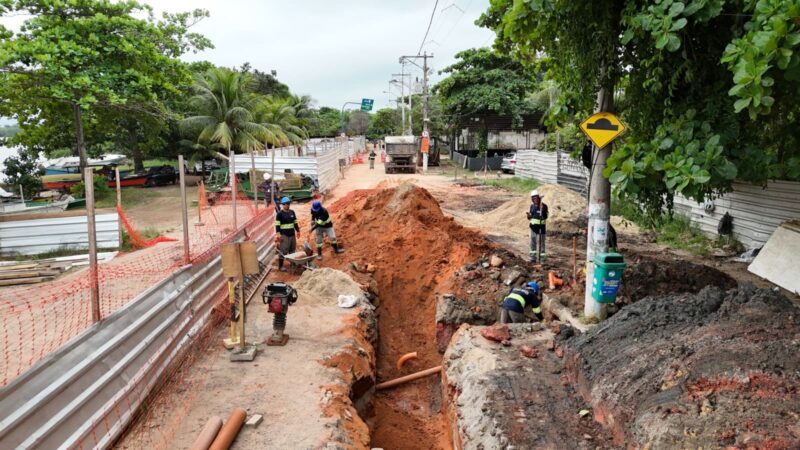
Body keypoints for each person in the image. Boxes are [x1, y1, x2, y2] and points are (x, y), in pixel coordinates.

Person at [275, 196, 300, 272]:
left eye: (288, 203)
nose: (288, 205)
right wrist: (279, 235)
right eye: (286, 204)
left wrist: (298, 231)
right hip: (284, 235)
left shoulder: (292, 212)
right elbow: (277, 225)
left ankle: (292, 263)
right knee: (283, 250)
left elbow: (295, 222)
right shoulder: (279, 214)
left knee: (292, 250)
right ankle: (280, 266)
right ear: (283, 205)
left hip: (292, 234)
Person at [526, 189, 549, 263]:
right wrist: (529, 216)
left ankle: (542, 258)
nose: (534, 199)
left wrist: (543, 211)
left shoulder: (544, 206)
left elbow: (546, 216)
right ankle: (533, 257)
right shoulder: (532, 206)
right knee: (533, 242)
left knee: (542, 243)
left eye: (536, 198)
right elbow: (530, 217)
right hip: (533, 227)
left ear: (539, 198)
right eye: (533, 198)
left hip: (541, 227)